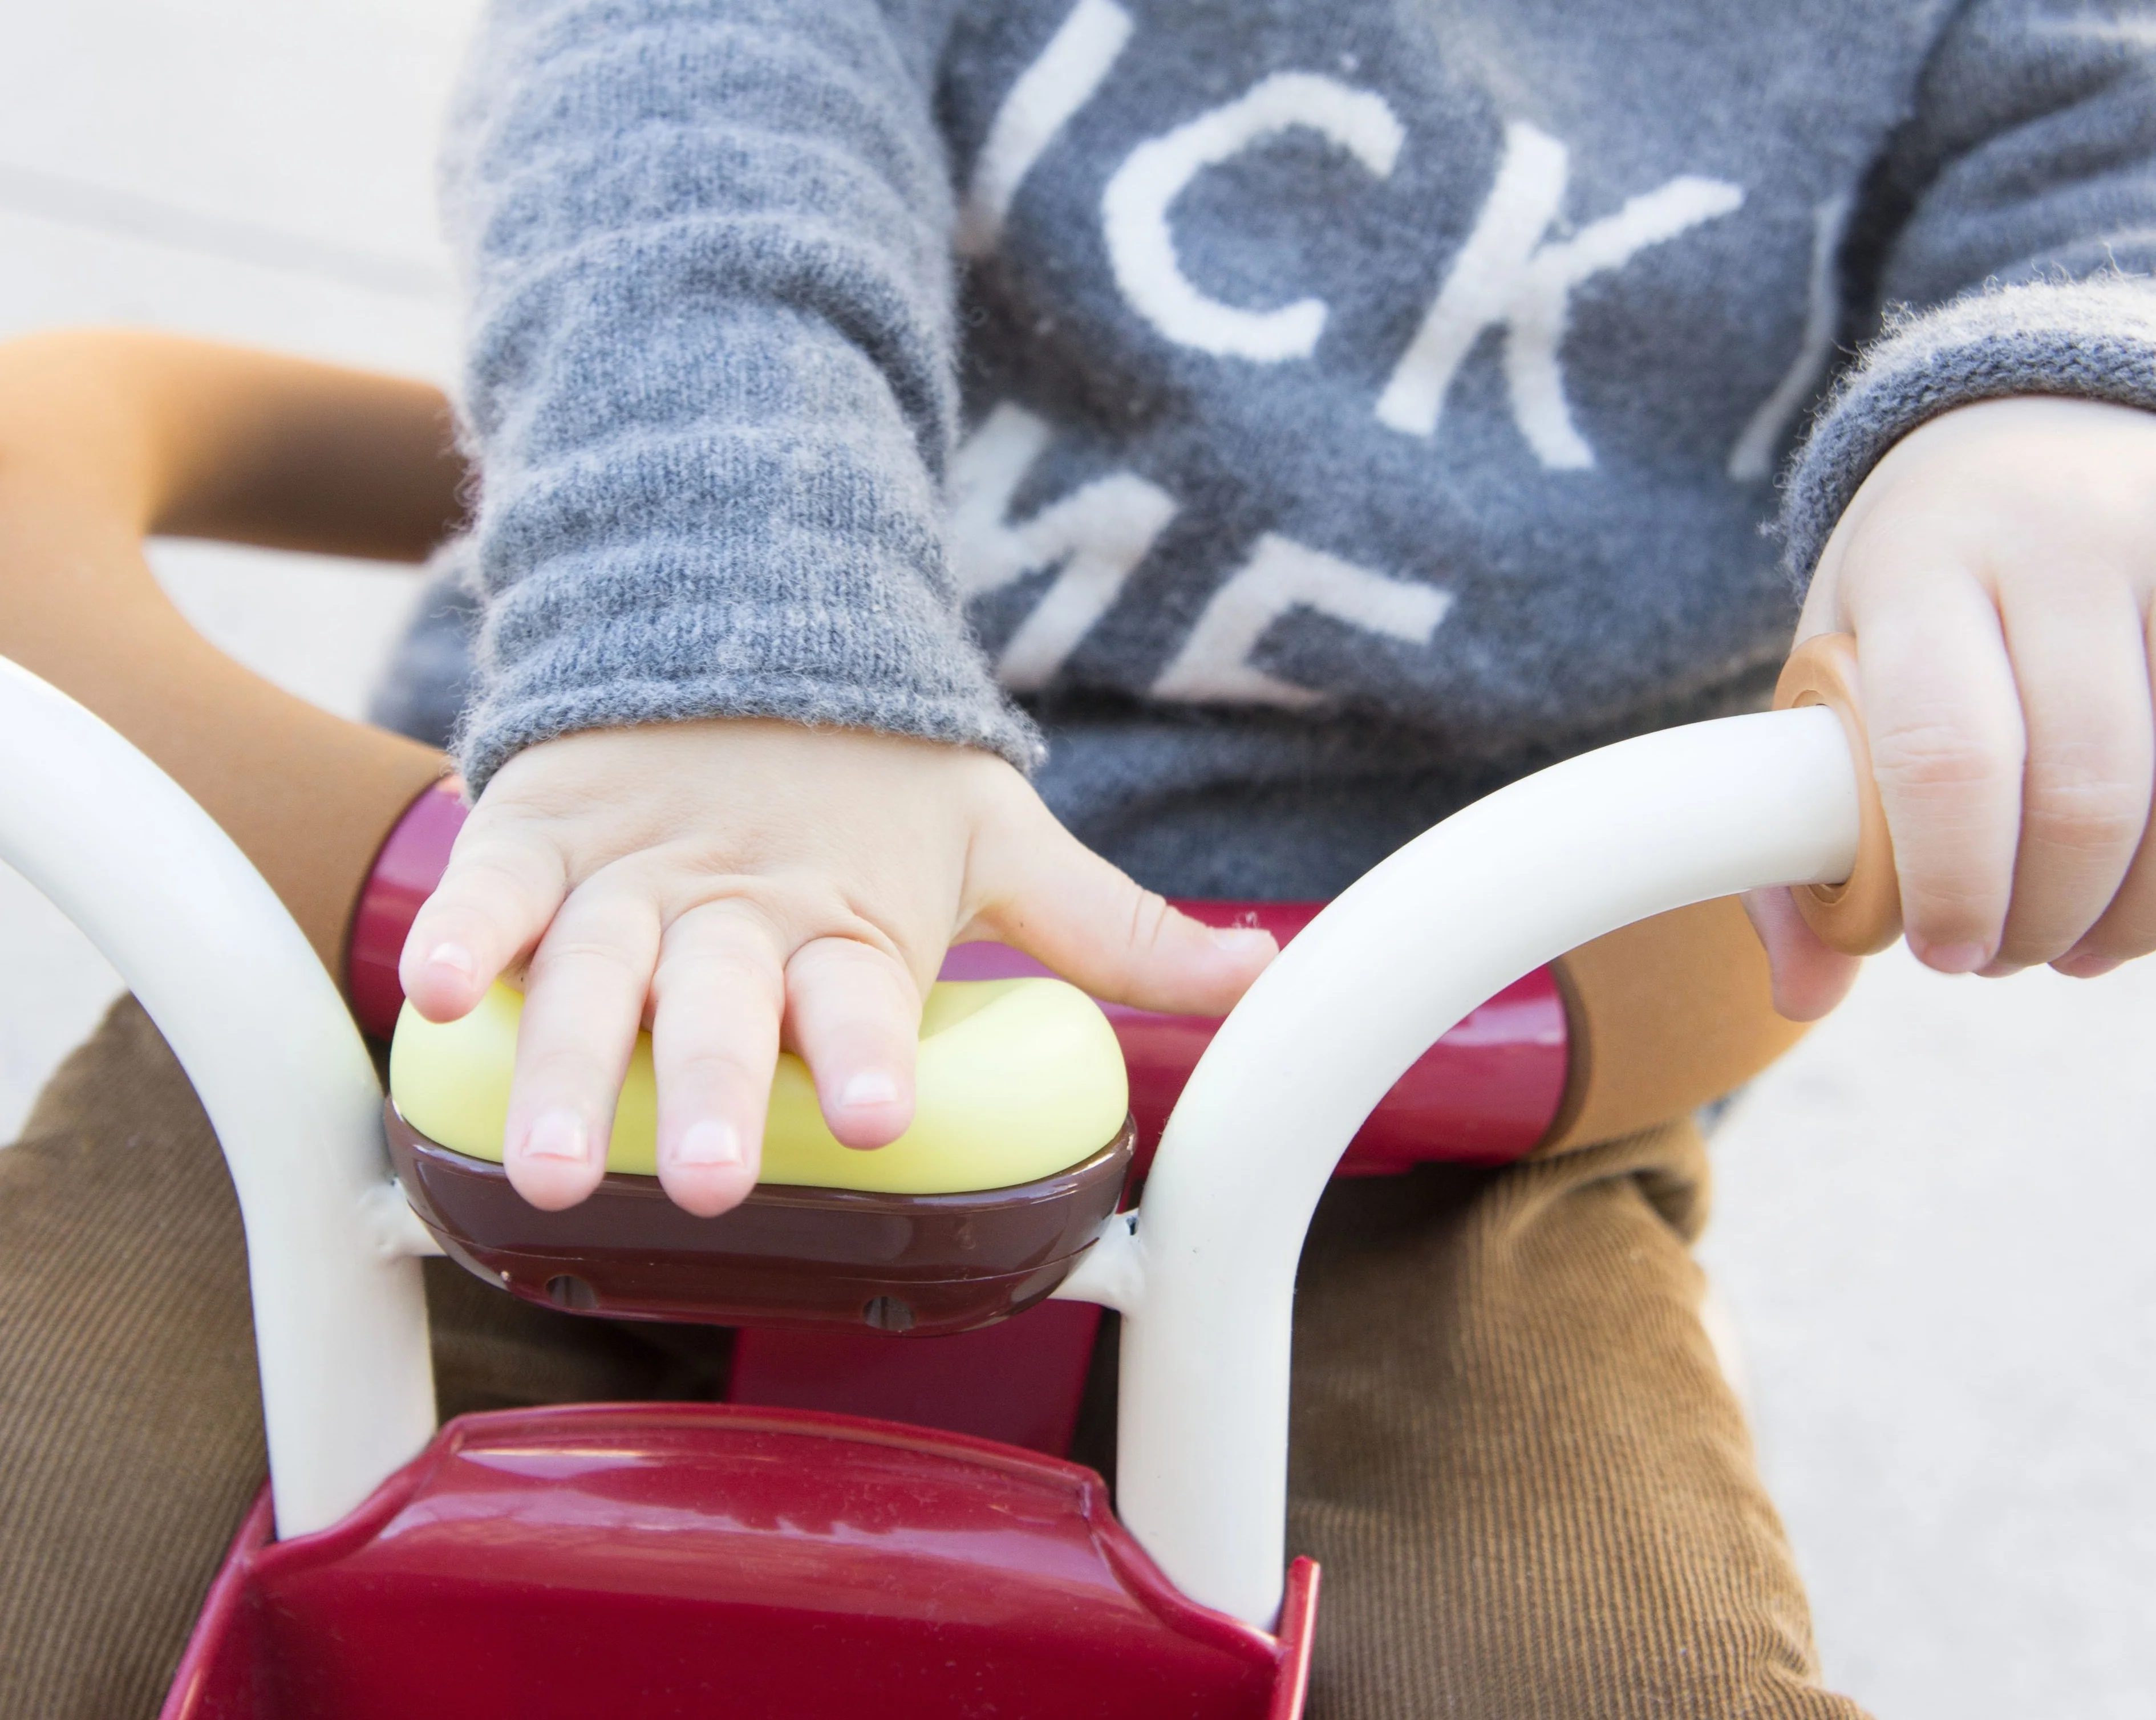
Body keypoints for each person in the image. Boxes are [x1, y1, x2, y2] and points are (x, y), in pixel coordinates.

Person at [5, 1, 2155, 1715]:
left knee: (1579, 1659)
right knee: (61, 1528)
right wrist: (741, 643)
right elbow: (680, 86)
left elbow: (2106, 171)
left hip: (1411, 1103)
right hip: (549, 953)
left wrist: (2066, 421)